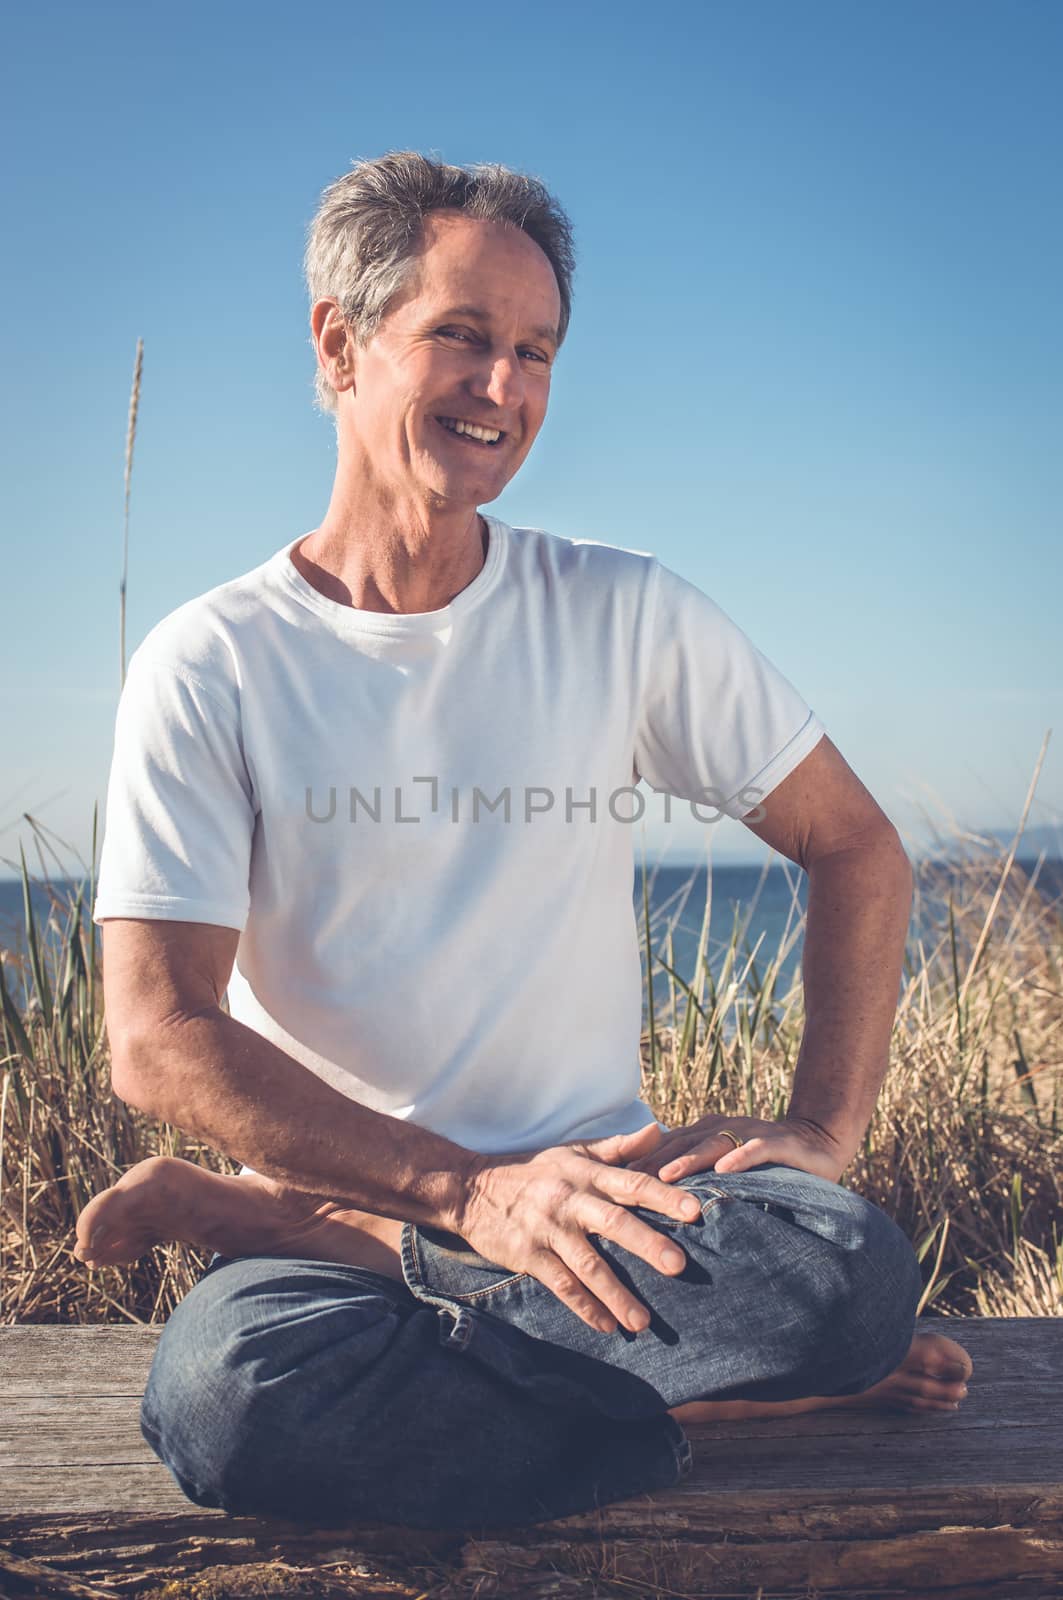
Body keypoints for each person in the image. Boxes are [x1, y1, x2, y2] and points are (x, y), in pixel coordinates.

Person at [80, 151, 971, 1534]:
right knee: (233, 1397)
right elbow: (155, 1036)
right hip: (345, 1204)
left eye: (536, 351)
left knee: (840, 1265)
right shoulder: (211, 661)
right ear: (339, 343)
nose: (504, 388)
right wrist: (462, 1194)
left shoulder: (622, 611)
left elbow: (857, 847)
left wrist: (819, 1126)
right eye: (462, 337)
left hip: (608, 1213)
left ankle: (429, 1286)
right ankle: (696, 1392)